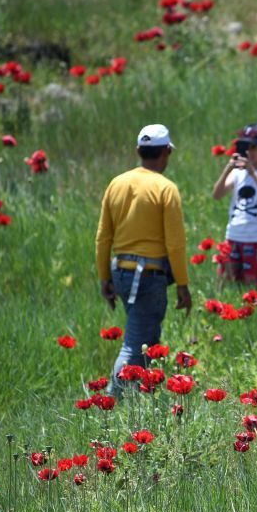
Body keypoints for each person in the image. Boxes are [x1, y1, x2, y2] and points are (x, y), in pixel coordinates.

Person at [95, 124, 192, 394]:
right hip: (148, 277)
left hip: (121, 273)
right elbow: (175, 244)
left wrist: (104, 278)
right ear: (166, 152)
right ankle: (112, 401)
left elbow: (103, 238)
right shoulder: (166, 188)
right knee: (134, 346)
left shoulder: (116, 184)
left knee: (147, 340)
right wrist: (183, 284)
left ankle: (140, 398)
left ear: (138, 151)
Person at [211, 123, 257, 291]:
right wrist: (228, 169)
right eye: (245, 147)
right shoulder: (237, 173)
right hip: (234, 236)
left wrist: (252, 172)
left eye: (254, 147)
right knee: (228, 288)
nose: (250, 152)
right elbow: (217, 195)